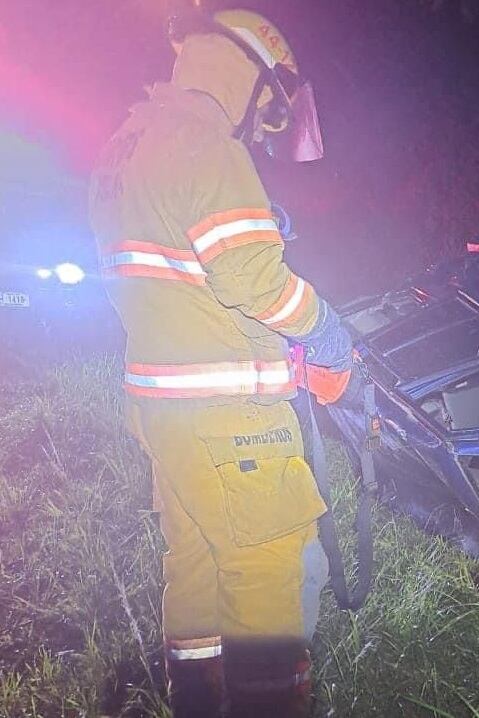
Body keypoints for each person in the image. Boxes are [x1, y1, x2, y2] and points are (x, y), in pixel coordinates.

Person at [89, 7, 352, 717]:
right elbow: (254, 283)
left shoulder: (129, 142)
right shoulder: (205, 143)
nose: (262, 123)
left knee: (198, 563)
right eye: (268, 103)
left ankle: (199, 703)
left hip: (166, 413)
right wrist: (329, 332)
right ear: (247, 70)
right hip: (231, 422)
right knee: (268, 566)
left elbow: (180, 263)